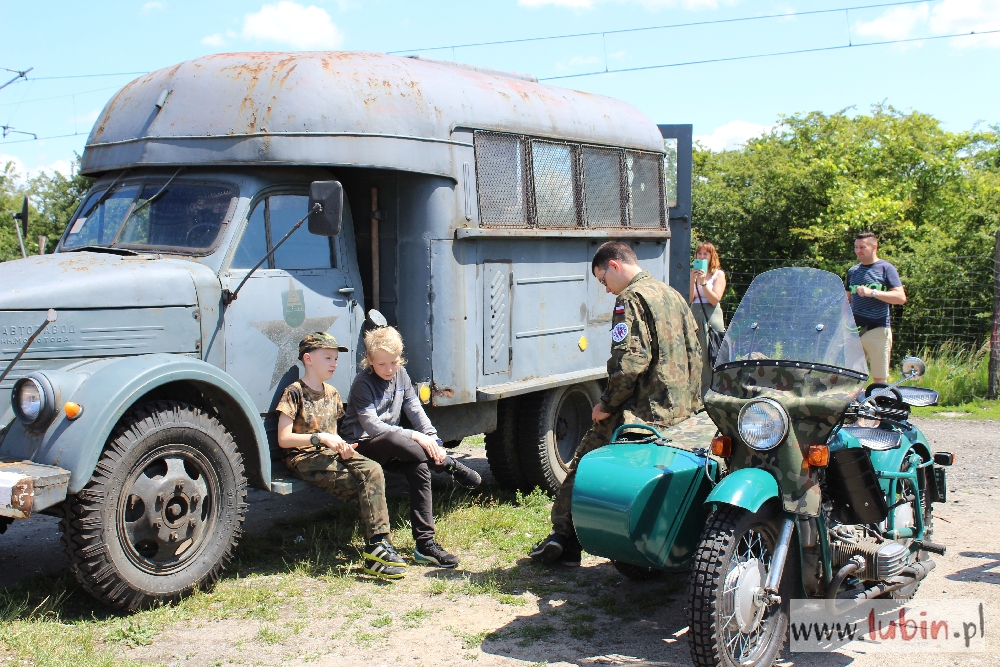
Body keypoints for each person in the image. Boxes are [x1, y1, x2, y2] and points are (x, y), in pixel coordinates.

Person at [529, 241, 703, 567]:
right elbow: (697, 352)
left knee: (583, 461)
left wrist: (605, 406)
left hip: (644, 411)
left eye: (602, 280)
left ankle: (562, 540)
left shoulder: (630, 299)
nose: (606, 289)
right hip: (681, 411)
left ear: (615, 265)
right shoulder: (674, 296)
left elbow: (630, 361)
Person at [341, 326, 482, 569]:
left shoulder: (401, 375)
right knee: (398, 440)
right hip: (362, 444)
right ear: (370, 360)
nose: (389, 369)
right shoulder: (362, 383)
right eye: (382, 364)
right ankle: (448, 464)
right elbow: (372, 426)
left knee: (419, 467)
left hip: (397, 444)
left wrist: (433, 439)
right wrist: (417, 437)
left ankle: (425, 545)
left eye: (394, 362)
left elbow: (414, 409)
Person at [276, 332, 406, 580]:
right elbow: (284, 439)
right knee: (363, 484)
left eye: (335, 358)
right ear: (308, 359)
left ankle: (379, 544)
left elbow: (335, 434)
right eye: (328, 358)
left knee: (374, 470)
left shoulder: (333, 393)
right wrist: (321, 439)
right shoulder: (294, 392)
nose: (334, 363)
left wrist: (344, 447)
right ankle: (378, 547)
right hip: (303, 458)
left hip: (329, 454)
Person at [846, 232, 907, 383]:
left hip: (877, 330)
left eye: (862, 247)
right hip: (854, 331)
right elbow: (846, 301)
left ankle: (879, 403)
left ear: (874, 247)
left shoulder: (886, 268)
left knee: (879, 379)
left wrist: (872, 292)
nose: (858, 251)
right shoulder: (853, 271)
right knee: (849, 378)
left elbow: (900, 298)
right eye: (856, 247)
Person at [689, 241, 727, 395]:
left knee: (710, 357)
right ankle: (697, 394)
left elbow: (714, 299)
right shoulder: (693, 273)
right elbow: (691, 299)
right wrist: (693, 280)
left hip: (710, 315)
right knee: (695, 356)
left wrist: (704, 283)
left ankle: (711, 393)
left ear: (712, 256)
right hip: (694, 313)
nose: (702, 256)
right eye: (699, 254)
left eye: (705, 254)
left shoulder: (718, 274)